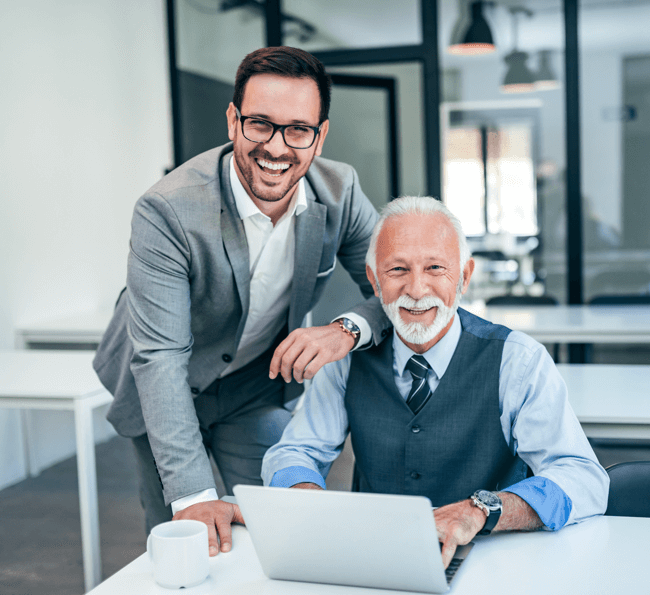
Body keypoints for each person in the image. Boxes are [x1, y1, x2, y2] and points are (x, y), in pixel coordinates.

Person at [92, 46, 390, 556]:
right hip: (162, 384)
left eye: (298, 129)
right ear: (233, 121)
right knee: (182, 539)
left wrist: (344, 330)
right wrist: (191, 497)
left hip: (253, 385)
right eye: (260, 124)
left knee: (281, 523)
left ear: (319, 137)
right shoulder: (168, 210)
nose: (277, 147)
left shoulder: (339, 191)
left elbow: (395, 288)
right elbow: (160, 357)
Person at [261, 196, 609, 568]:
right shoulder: (345, 361)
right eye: (397, 270)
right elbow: (294, 452)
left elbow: (583, 478)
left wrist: (481, 511)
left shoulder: (518, 361)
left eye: (435, 268)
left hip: (494, 563)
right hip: (377, 560)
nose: (416, 289)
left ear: (464, 275)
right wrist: (305, 496)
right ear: (374, 280)